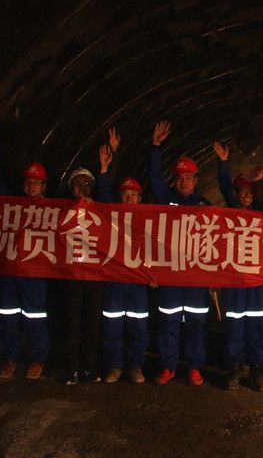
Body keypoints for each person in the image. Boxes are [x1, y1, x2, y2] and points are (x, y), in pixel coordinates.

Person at [212, 140, 263, 391]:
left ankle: (255, 368)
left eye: (249, 191)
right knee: (235, 324)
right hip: (235, 279)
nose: (245, 195)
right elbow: (224, 187)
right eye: (241, 191)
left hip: (257, 281)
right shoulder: (231, 212)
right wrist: (223, 163)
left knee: (256, 325)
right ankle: (233, 367)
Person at [148, 120, 211, 386]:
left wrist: (213, 276)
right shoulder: (166, 199)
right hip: (170, 274)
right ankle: (168, 366)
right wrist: (155, 147)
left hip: (195, 277)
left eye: (188, 177)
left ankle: (194, 367)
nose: (184, 182)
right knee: (168, 323)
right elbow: (154, 180)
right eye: (180, 178)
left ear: (196, 180)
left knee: (197, 325)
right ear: (174, 180)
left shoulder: (205, 206)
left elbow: (216, 243)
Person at [0, 134, 50, 380]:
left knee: (34, 316)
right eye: (28, 182)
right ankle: (9, 358)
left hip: (34, 273)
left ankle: (37, 359)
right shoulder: (12, 204)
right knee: (7, 315)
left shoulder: (52, 209)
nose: (31, 186)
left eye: (36, 183)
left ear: (43, 186)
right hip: (9, 270)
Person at [96, 131, 149, 384]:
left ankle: (135, 366)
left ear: (140, 198)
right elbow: (103, 194)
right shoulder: (112, 215)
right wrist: (105, 168)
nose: (128, 198)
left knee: (138, 326)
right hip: (115, 279)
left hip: (137, 280)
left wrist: (154, 274)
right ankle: (115, 366)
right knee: (113, 324)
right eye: (125, 194)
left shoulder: (150, 221)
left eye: (133, 194)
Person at [58, 163, 104, 385]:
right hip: (71, 276)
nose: (82, 187)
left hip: (94, 276)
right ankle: (71, 368)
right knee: (71, 323)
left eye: (86, 183)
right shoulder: (61, 210)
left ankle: (89, 367)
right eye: (77, 183)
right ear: (70, 187)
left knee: (91, 324)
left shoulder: (101, 209)